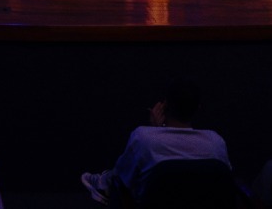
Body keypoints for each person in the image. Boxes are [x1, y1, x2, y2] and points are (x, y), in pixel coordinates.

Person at [80, 80, 232, 207]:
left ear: (165, 106)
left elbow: (125, 178)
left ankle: (103, 184)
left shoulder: (144, 137)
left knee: (122, 176)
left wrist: (155, 130)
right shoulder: (215, 141)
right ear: (198, 108)